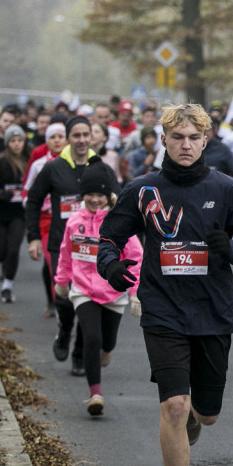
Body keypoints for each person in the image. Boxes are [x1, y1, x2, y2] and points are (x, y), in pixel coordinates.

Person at [96, 104, 233, 466]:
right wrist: (111, 265)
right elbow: (110, 238)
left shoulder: (228, 190)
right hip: (162, 309)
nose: (185, 145)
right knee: (173, 405)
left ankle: (195, 417)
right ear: (164, 141)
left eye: (193, 137)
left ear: (205, 139)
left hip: (211, 311)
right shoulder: (142, 189)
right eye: (177, 138)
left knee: (204, 415)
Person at [26, 116, 115, 377]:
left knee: (88, 301)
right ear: (68, 138)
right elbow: (33, 200)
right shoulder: (54, 168)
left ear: (92, 137)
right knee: (63, 299)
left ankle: (79, 354)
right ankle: (64, 330)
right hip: (62, 244)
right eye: (76, 135)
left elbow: (118, 200)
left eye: (86, 135)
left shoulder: (101, 168)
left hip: (95, 248)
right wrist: (33, 236)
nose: (82, 140)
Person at [54, 160, 143, 416]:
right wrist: (62, 280)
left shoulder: (118, 222)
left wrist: (135, 292)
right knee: (91, 338)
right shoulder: (74, 221)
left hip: (113, 293)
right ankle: (95, 394)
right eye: (90, 194)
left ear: (108, 196)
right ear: (83, 195)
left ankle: (106, 351)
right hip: (83, 289)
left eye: (100, 195)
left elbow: (136, 256)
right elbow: (65, 253)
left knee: (107, 343)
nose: (95, 200)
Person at [0, 126, 31, 303]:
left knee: (13, 250)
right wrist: (1, 193)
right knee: (0, 254)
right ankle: (4, 266)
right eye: (13, 141)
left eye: (19, 141)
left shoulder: (29, 162)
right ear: (7, 143)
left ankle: (7, 287)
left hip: (19, 214)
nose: (17, 145)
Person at [24, 122, 68, 319]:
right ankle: (59, 305)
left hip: (71, 221)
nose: (57, 140)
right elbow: (28, 192)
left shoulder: (74, 164)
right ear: (47, 141)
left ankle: (69, 303)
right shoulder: (39, 165)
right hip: (46, 220)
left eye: (60, 136)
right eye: (53, 137)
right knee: (54, 262)